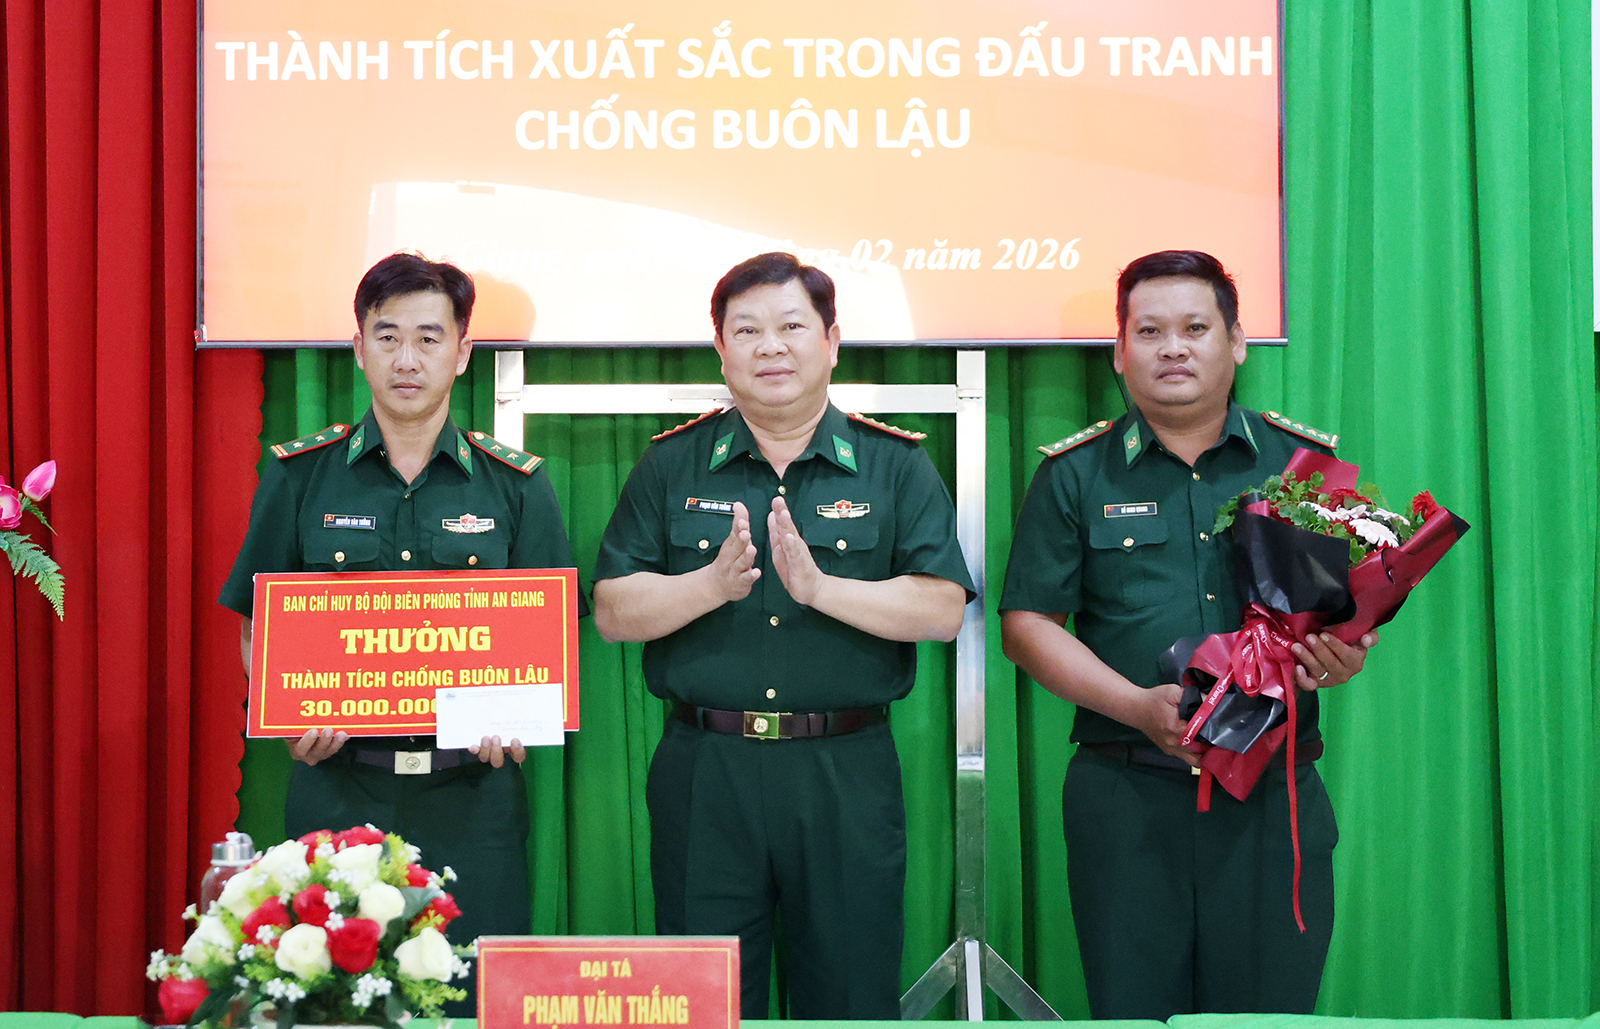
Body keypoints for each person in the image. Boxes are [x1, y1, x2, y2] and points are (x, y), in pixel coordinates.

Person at [591, 251, 973, 1019]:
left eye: (792, 326)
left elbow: (940, 608)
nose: (770, 346)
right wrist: (709, 585)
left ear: (831, 342)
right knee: (703, 1000)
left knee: (848, 997)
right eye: (747, 330)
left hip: (843, 772)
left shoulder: (895, 465)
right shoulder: (671, 464)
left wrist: (822, 589)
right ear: (720, 349)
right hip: (707, 771)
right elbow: (611, 609)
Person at [999, 250, 1379, 1019]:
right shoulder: (1075, 474)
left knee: (1267, 1013)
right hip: (1126, 794)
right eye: (1149, 331)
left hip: (1274, 796)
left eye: (1195, 328)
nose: (1172, 347)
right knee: (1134, 1008)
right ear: (1119, 351)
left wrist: (1339, 657)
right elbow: (1027, 625)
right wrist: (1137, 706)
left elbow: (1336, 620)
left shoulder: (1302, 466)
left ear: (1236, 342)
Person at [219, 252, 582, 985]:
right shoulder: (299, 475)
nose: (406, 359)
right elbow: (259, 622)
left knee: (468, 997)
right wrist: (290, 710)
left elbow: (550, 634)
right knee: (336, 1000)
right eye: (387, 337)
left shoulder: (517, 485)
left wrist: (516, 716)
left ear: (462, 352)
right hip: (338, 787)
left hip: (474, 797)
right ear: (359, 349)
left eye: (427, 337)